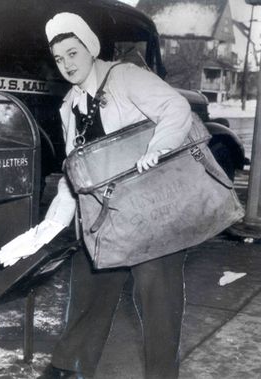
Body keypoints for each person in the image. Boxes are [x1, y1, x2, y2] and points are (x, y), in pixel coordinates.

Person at [39, 12, 193, 379]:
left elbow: (176, 108)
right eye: (60, 59)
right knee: (89, 289)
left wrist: (157, 148)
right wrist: (50, 225)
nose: (67, 65)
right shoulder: (69, 107)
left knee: (159, 306)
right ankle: (68, 369)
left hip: (153, 211)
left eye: (73, 53)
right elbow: (74, 170)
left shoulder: (124, 77)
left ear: (91, 49)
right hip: (108, 217)